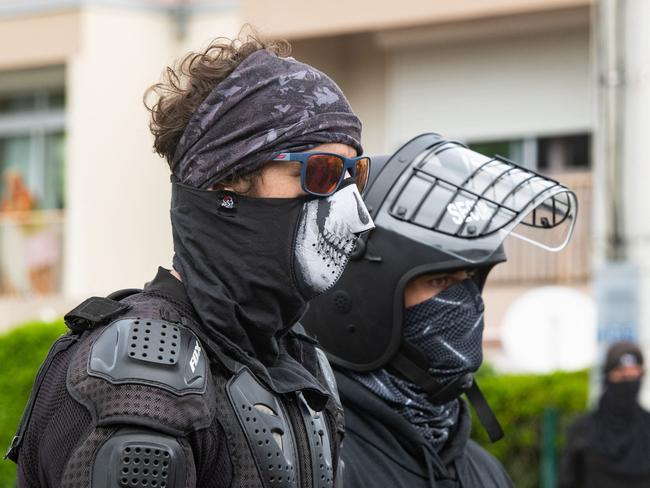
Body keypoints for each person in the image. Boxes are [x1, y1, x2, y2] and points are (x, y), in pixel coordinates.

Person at [6, 33, 375, 488]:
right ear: (227, 184)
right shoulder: (138, 375)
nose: (351, 209)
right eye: (321, 173)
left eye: (353, 174)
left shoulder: (298, 360)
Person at [302, 133, 579, 487]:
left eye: (471, 278)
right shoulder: (317, 464)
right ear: (361, 295)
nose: (465, 301)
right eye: (441, 282)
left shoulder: (483, 471)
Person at [559, 341, 650, 488]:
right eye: (621, 376)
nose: (628, 383)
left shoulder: (647, 428)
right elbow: (568, 480)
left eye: (634, 376)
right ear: (608, 377)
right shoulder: (583, 430)